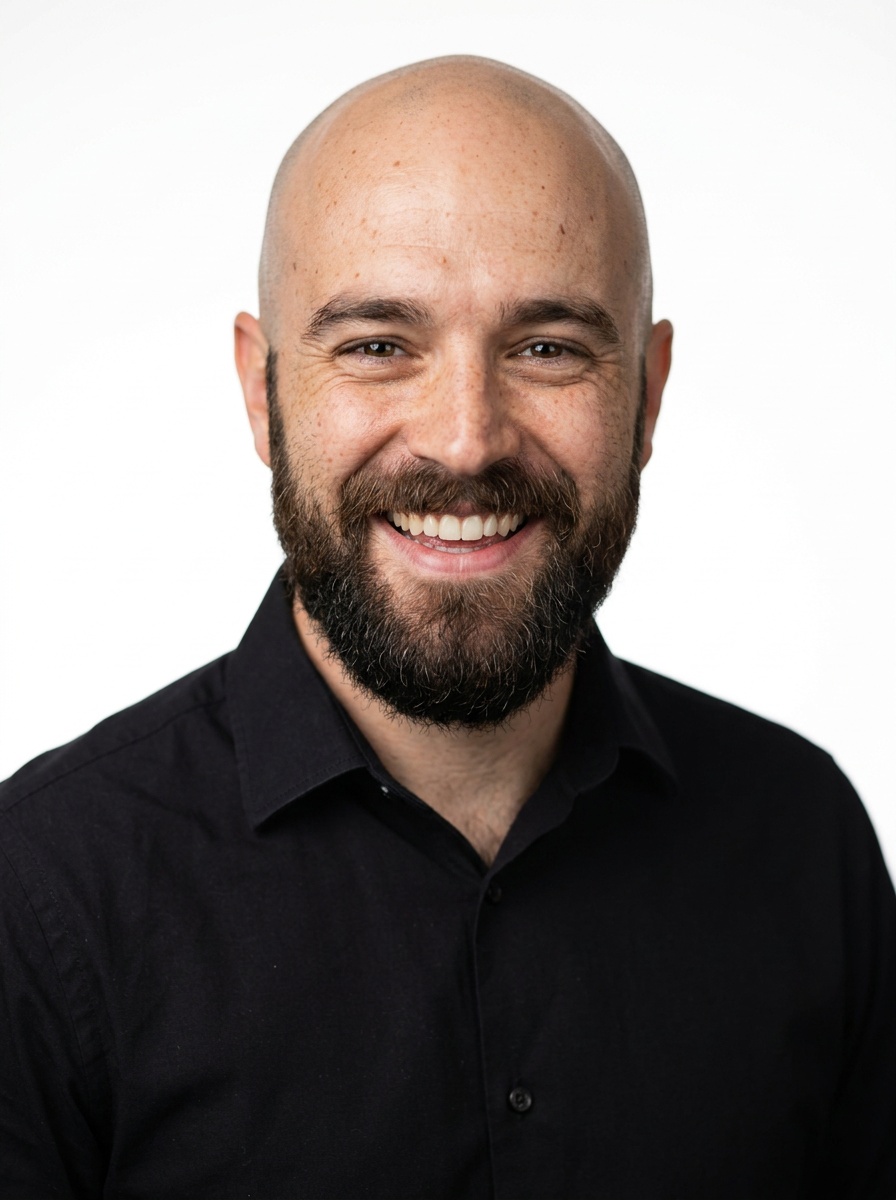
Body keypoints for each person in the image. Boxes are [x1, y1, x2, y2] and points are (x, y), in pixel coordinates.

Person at [0, 54, 893, 1200]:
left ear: (650, 396)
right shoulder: (40, 895)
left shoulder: (799, 837)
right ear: (261, 391)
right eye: (378, 344)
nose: (465, 440)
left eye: (547, 349)